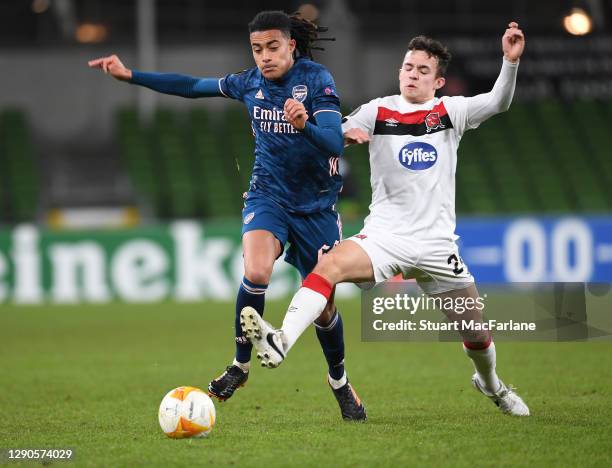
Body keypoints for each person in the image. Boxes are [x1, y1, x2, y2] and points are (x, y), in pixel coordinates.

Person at [88, 10, 366, 421]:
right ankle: (240, 365)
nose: (265, 56)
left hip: (316, 207)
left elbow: (333, 145)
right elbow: (190, 87)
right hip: (267, 196)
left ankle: (340, 381)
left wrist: (304, 123)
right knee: (256, 272)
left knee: (324, 309)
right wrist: (132, 76)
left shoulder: (317, 80)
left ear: (291, 44)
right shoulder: (249, 82)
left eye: (273, 46)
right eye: (257, 49)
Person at [242, 22, 530, 416]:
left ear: (439, 80)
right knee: (327, 267)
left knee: (476, 334)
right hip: (384, 238)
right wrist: (310, 128)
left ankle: (492, 385)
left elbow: (499, 102)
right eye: (408, 67)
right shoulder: (376, 111)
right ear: (400, 72)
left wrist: (510, 62)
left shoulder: (451, 112)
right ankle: (282, 340)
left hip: (436, 245)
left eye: (422, 70)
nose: (412, 74)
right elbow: (328, 140)